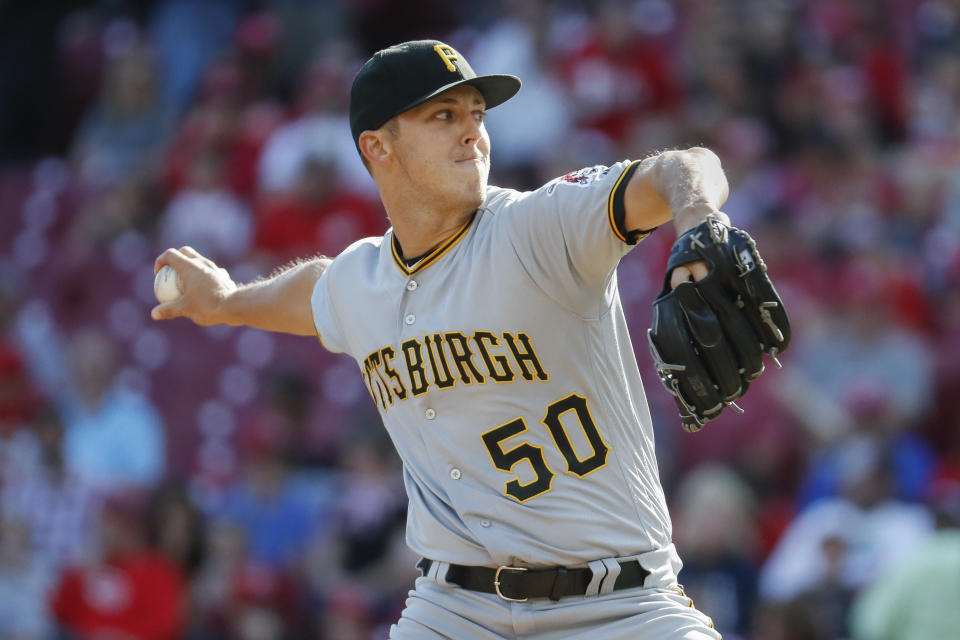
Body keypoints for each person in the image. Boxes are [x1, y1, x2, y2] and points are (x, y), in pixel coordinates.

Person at [153, 39, 731, 639]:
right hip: (455, 610)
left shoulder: (537, 227)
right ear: (378, 147)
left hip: (620, 606)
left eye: (477, 114)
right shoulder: (363, 280)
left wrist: (699, 219)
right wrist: (224, 301)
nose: (472, 134)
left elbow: (685, 167)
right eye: (443, 116)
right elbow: (312, 290)